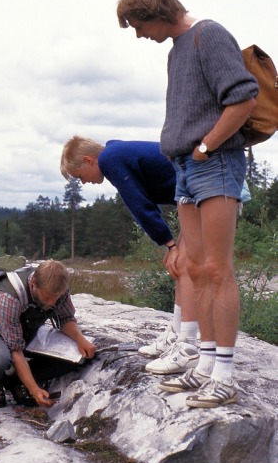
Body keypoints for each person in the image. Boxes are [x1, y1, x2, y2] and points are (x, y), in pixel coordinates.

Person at [116, 0, 258, 408]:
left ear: (156, 10)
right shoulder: (177, 50)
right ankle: (205, 364)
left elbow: (244, 98)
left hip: (212, 164)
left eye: (139, 24)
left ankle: (225, 376)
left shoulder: (208, 35)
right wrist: (188, 155)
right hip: (185, 170)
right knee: (195, 269)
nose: (140, 34)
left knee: (218, 269)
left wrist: (205, 146)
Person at [60, 136, 200, 373]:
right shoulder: (115, 153)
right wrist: (171, 245)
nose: (83, 183)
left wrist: (170, 245)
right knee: (180, 268)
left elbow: (139, 204)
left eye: (79, 176)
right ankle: (176, 335)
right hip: (193, 195)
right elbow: (146, 200)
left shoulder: (110, 159)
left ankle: (187, 347)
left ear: (88, 160)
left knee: (184, 265)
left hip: (205, 190)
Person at [0, 259, 96, 409]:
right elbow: (16, 349)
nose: (52, 302)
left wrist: (80, 339)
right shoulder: (7, 296)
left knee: (78, 354)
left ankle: (14, 381)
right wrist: (34, 390)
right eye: (47, 298)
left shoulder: (58, 289)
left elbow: (65, 319)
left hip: (28, 330)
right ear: (33, 283)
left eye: (56, 298)